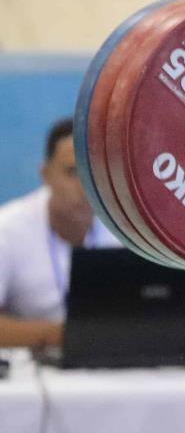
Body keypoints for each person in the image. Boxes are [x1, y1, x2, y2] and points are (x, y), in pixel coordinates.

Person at [0, 118, 119, 348]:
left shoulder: (126, 228)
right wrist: (71, 336)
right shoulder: (6, 230)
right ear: (45, 175)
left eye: (94, 172)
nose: (86, 186)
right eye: (73, 172)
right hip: (36, 362)